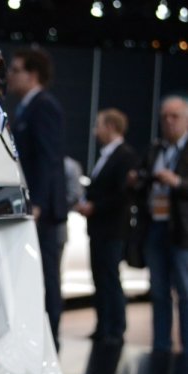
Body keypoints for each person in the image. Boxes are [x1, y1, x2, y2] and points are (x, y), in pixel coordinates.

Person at [7, 46, 68, 351]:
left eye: (16, 70)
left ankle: (50, 343)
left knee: (46, 276)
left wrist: (39, 203)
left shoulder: (43, 106)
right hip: (35, 206)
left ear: (32, 75)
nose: (10, 76)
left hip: (41, 210)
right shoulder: (28, 107)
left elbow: (48, 159)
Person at [76, 109, 139, 346]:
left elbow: (122, 196)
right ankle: (103, 327)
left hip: (112, 229)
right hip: (99, 229)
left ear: (111, 126)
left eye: (99, 125)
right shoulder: (107, 156)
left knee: (110, 279)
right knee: (100, 279)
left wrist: (95, 207)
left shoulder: (125, 156)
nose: (95, 130)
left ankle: (116, 328)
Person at [130, 95, 188, 352]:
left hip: (182, 231)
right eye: (165, 116)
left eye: (175, 116)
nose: (169, 121)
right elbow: (141, 178)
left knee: (185, 292)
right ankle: (161, 348)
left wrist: (177, 183)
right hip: (154, 225)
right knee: (158, 292)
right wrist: (138, 179)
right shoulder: (155, 149)